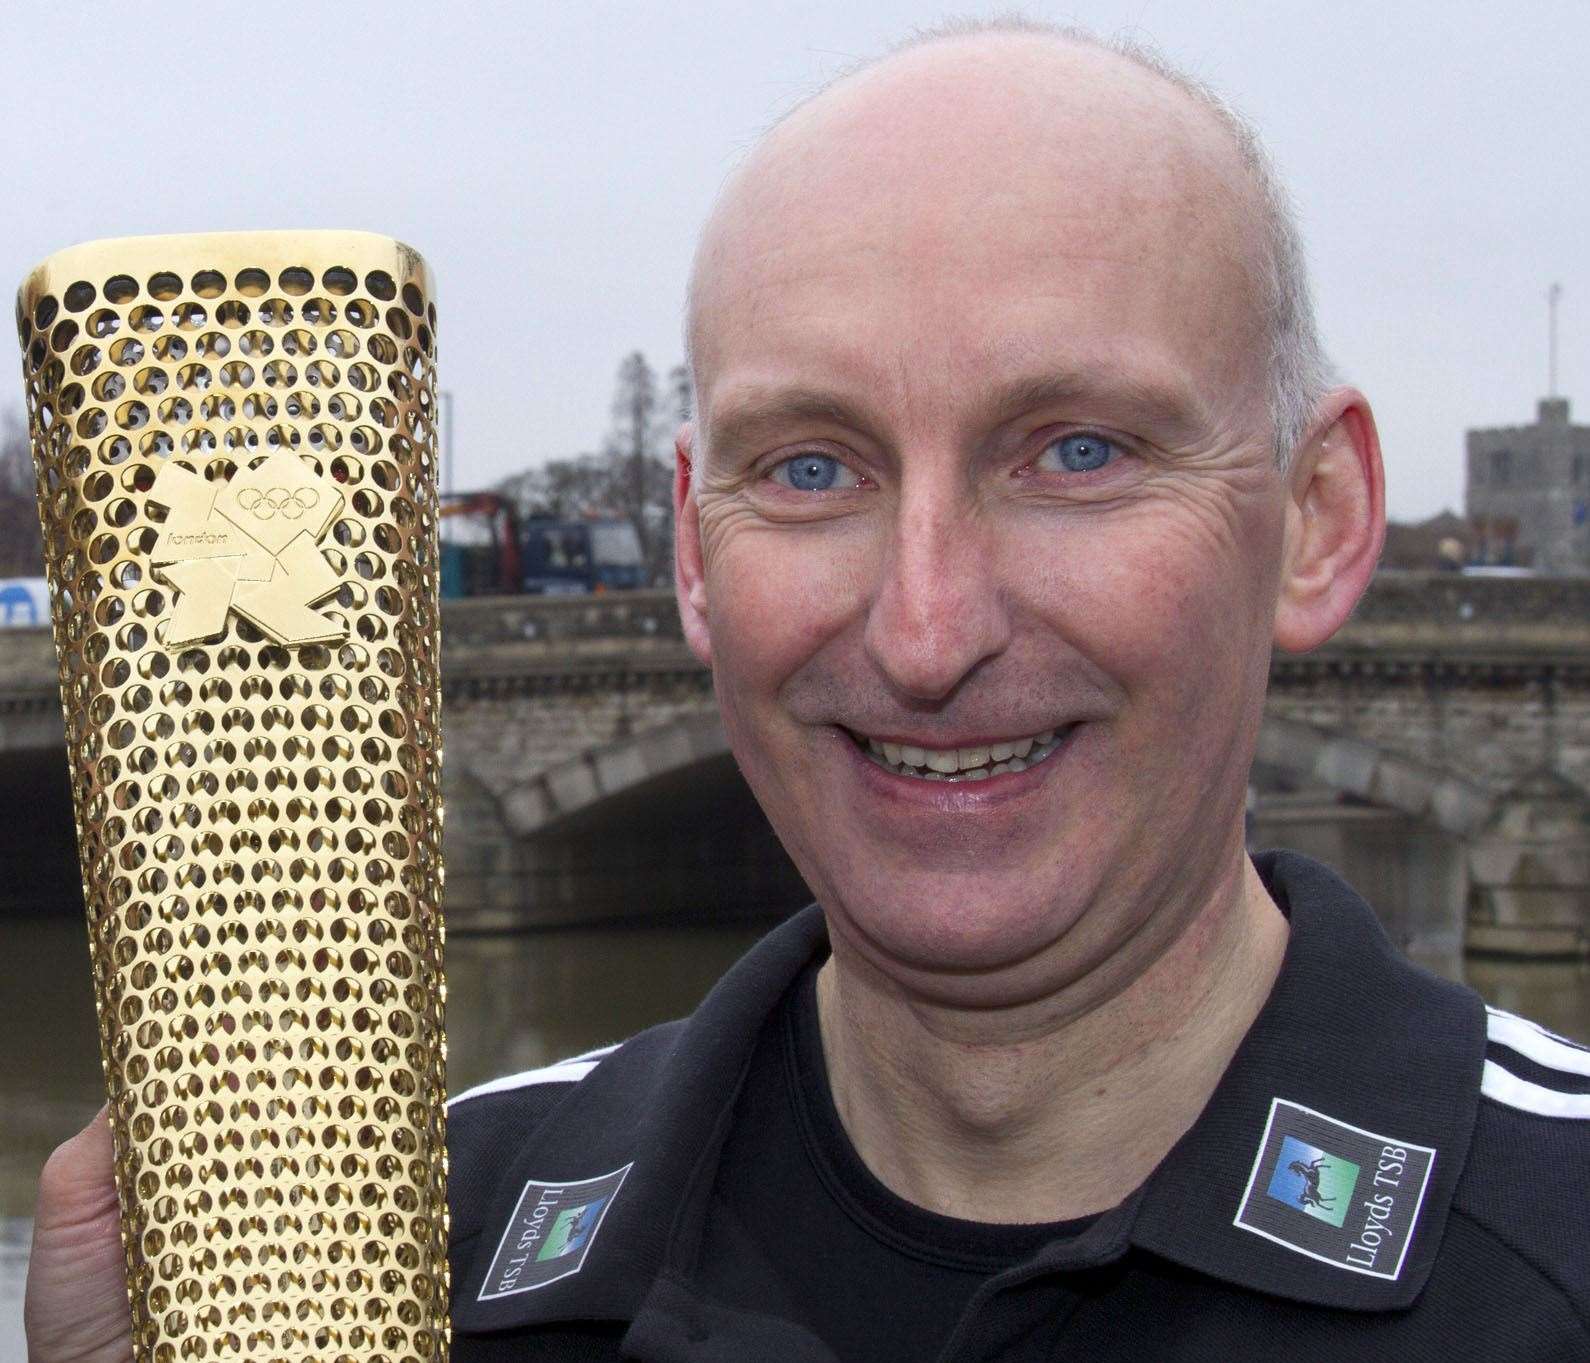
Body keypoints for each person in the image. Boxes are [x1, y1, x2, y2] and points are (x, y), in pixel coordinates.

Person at [26, 20, 1590, 1362]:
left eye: (1078, 451)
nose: (924, 629)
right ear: (697, 555)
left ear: (1316, 519)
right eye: (813, 467)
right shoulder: (427, 1248)